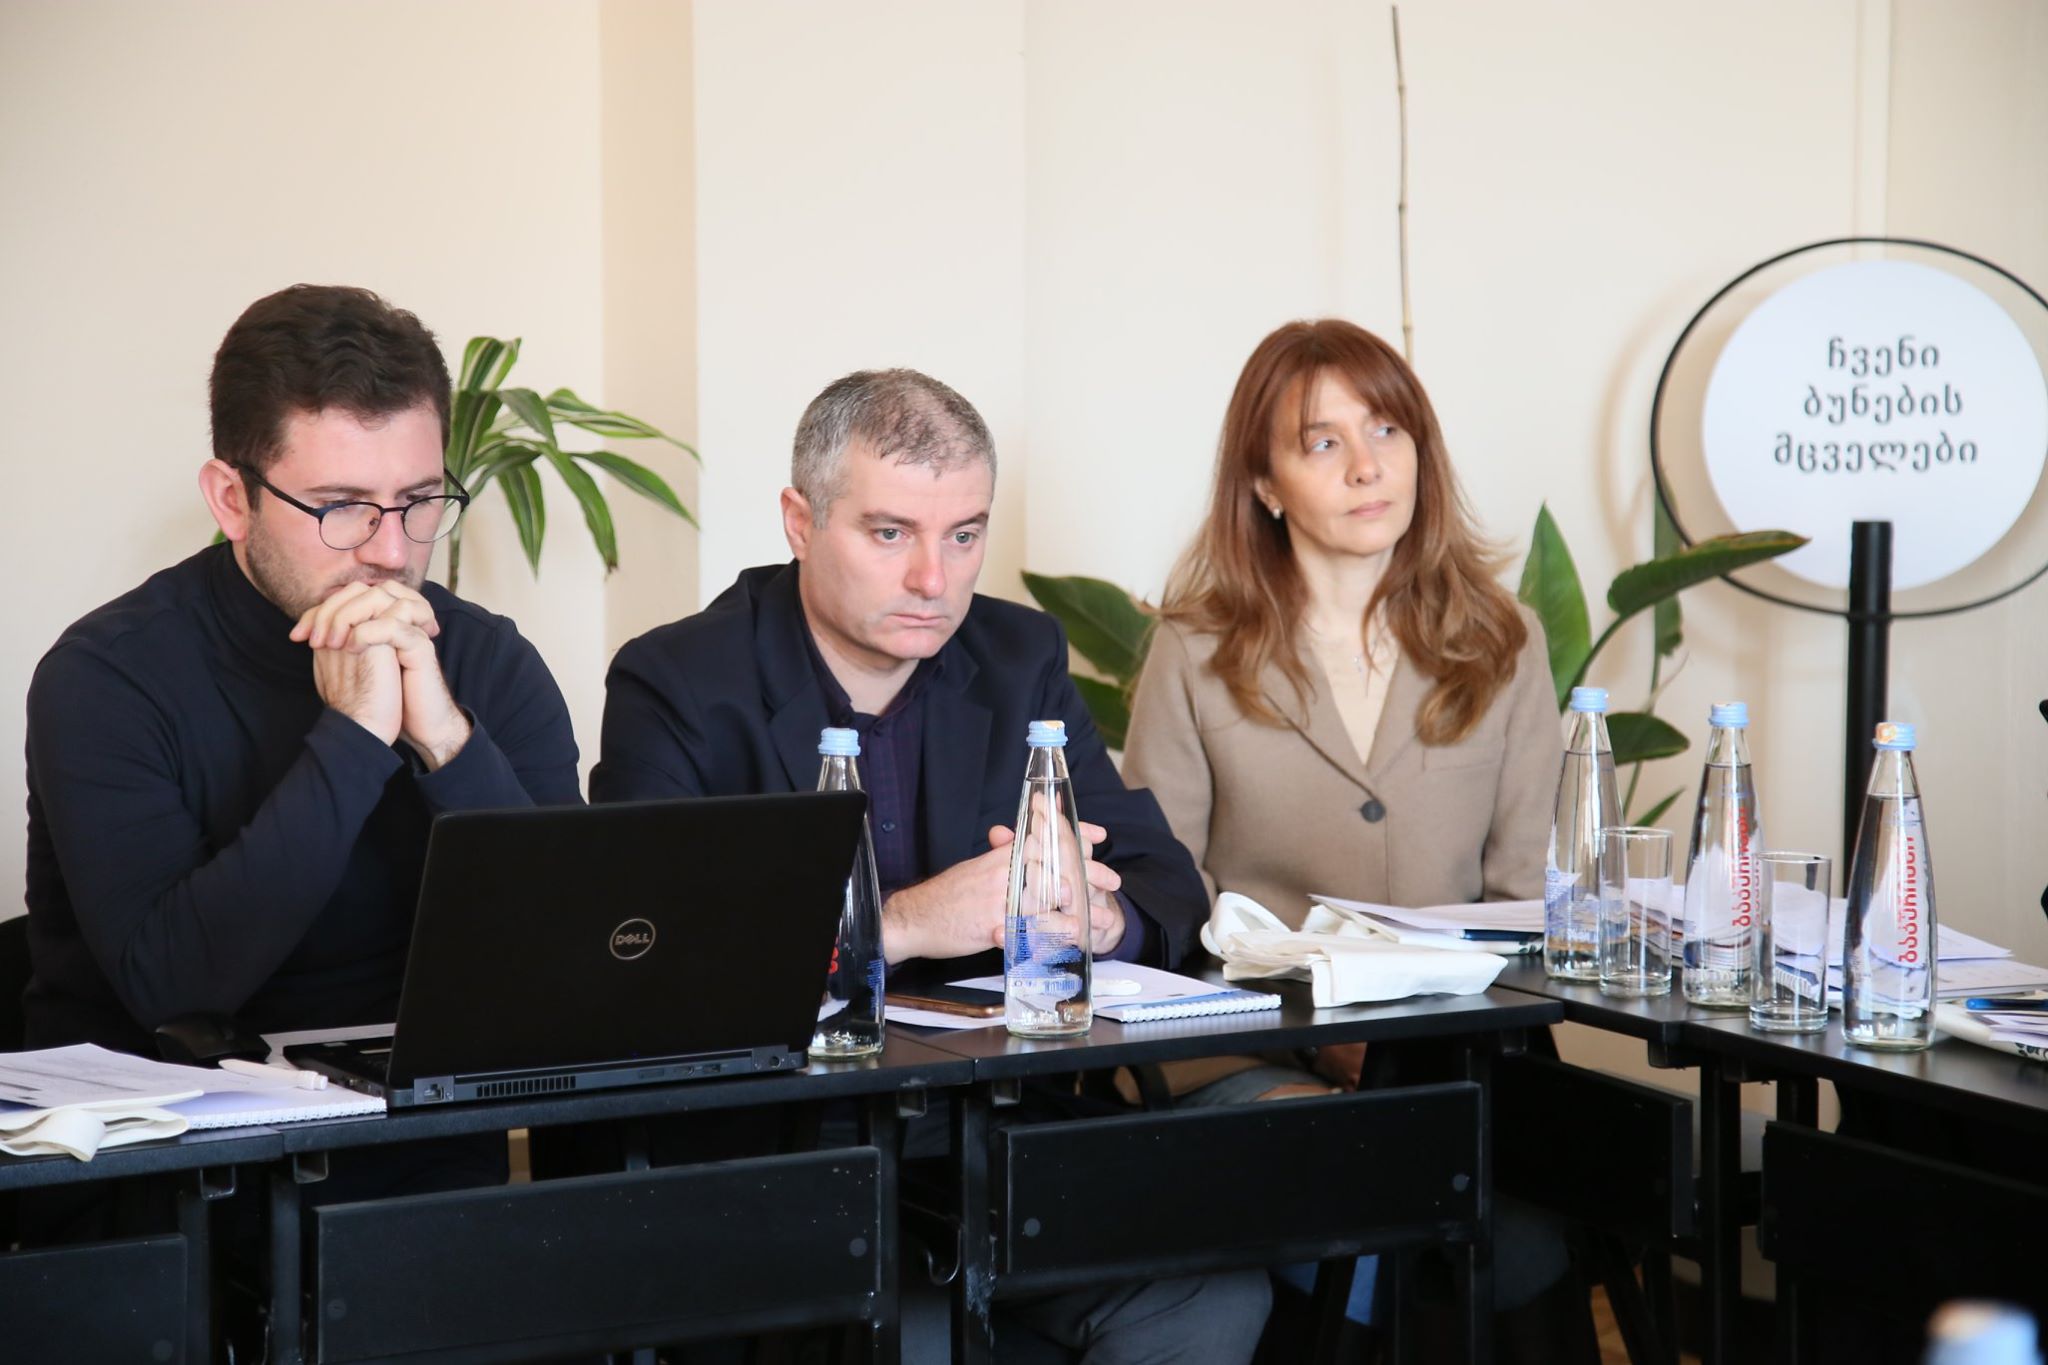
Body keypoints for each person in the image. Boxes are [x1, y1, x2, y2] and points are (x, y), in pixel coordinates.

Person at [594, 367, 1271, 1363]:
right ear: (799, 521)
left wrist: (1098, 918)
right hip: (780, 1148)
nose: (933, 579)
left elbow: (1165, 886)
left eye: (964, 535)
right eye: (889, 533)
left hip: (989, 1135)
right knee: (899, 1338)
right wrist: (909, 921)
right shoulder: (680, 681)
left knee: (1206, 1296)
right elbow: (643, 958)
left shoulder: (1017, 654)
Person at [22, 285, 580, 1231]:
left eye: (419, 501)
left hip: (424, 1164)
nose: (391, 551)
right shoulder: (107, 677)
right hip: (167, 1175)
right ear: (230, 499)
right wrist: (355, 735)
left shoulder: (488, 661)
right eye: (341, 507)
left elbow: (577, 959)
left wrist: (446, 741)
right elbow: (177, 986)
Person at [1121, 318, 1567, 1337]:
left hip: (1455, 1057)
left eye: (1386, 430)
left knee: (1535, 1221)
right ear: (1265, 484)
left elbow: (1525, 895)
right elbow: (1164, 899)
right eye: (1322, 442)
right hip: (1252, 1054)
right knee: (1362, 1190)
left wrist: (1421, 1045)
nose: (1367, 467)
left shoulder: (1502, 640)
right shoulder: (1194, 651)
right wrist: (1324, 1040)